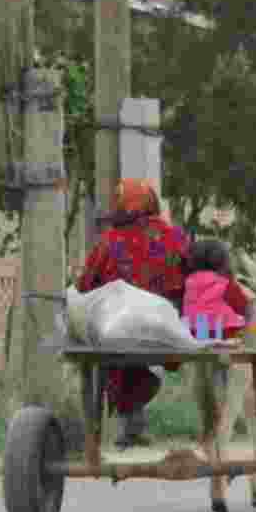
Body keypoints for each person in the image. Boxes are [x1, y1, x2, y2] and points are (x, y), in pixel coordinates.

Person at [76, 179, 191, 449]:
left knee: (116, 359)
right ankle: (133, 421)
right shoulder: (174, 236)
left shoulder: (108, 241)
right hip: (166, 327)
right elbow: (191, 276)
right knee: (140, 363)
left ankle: (126, 421)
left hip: (117, 328)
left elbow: (85, 285)